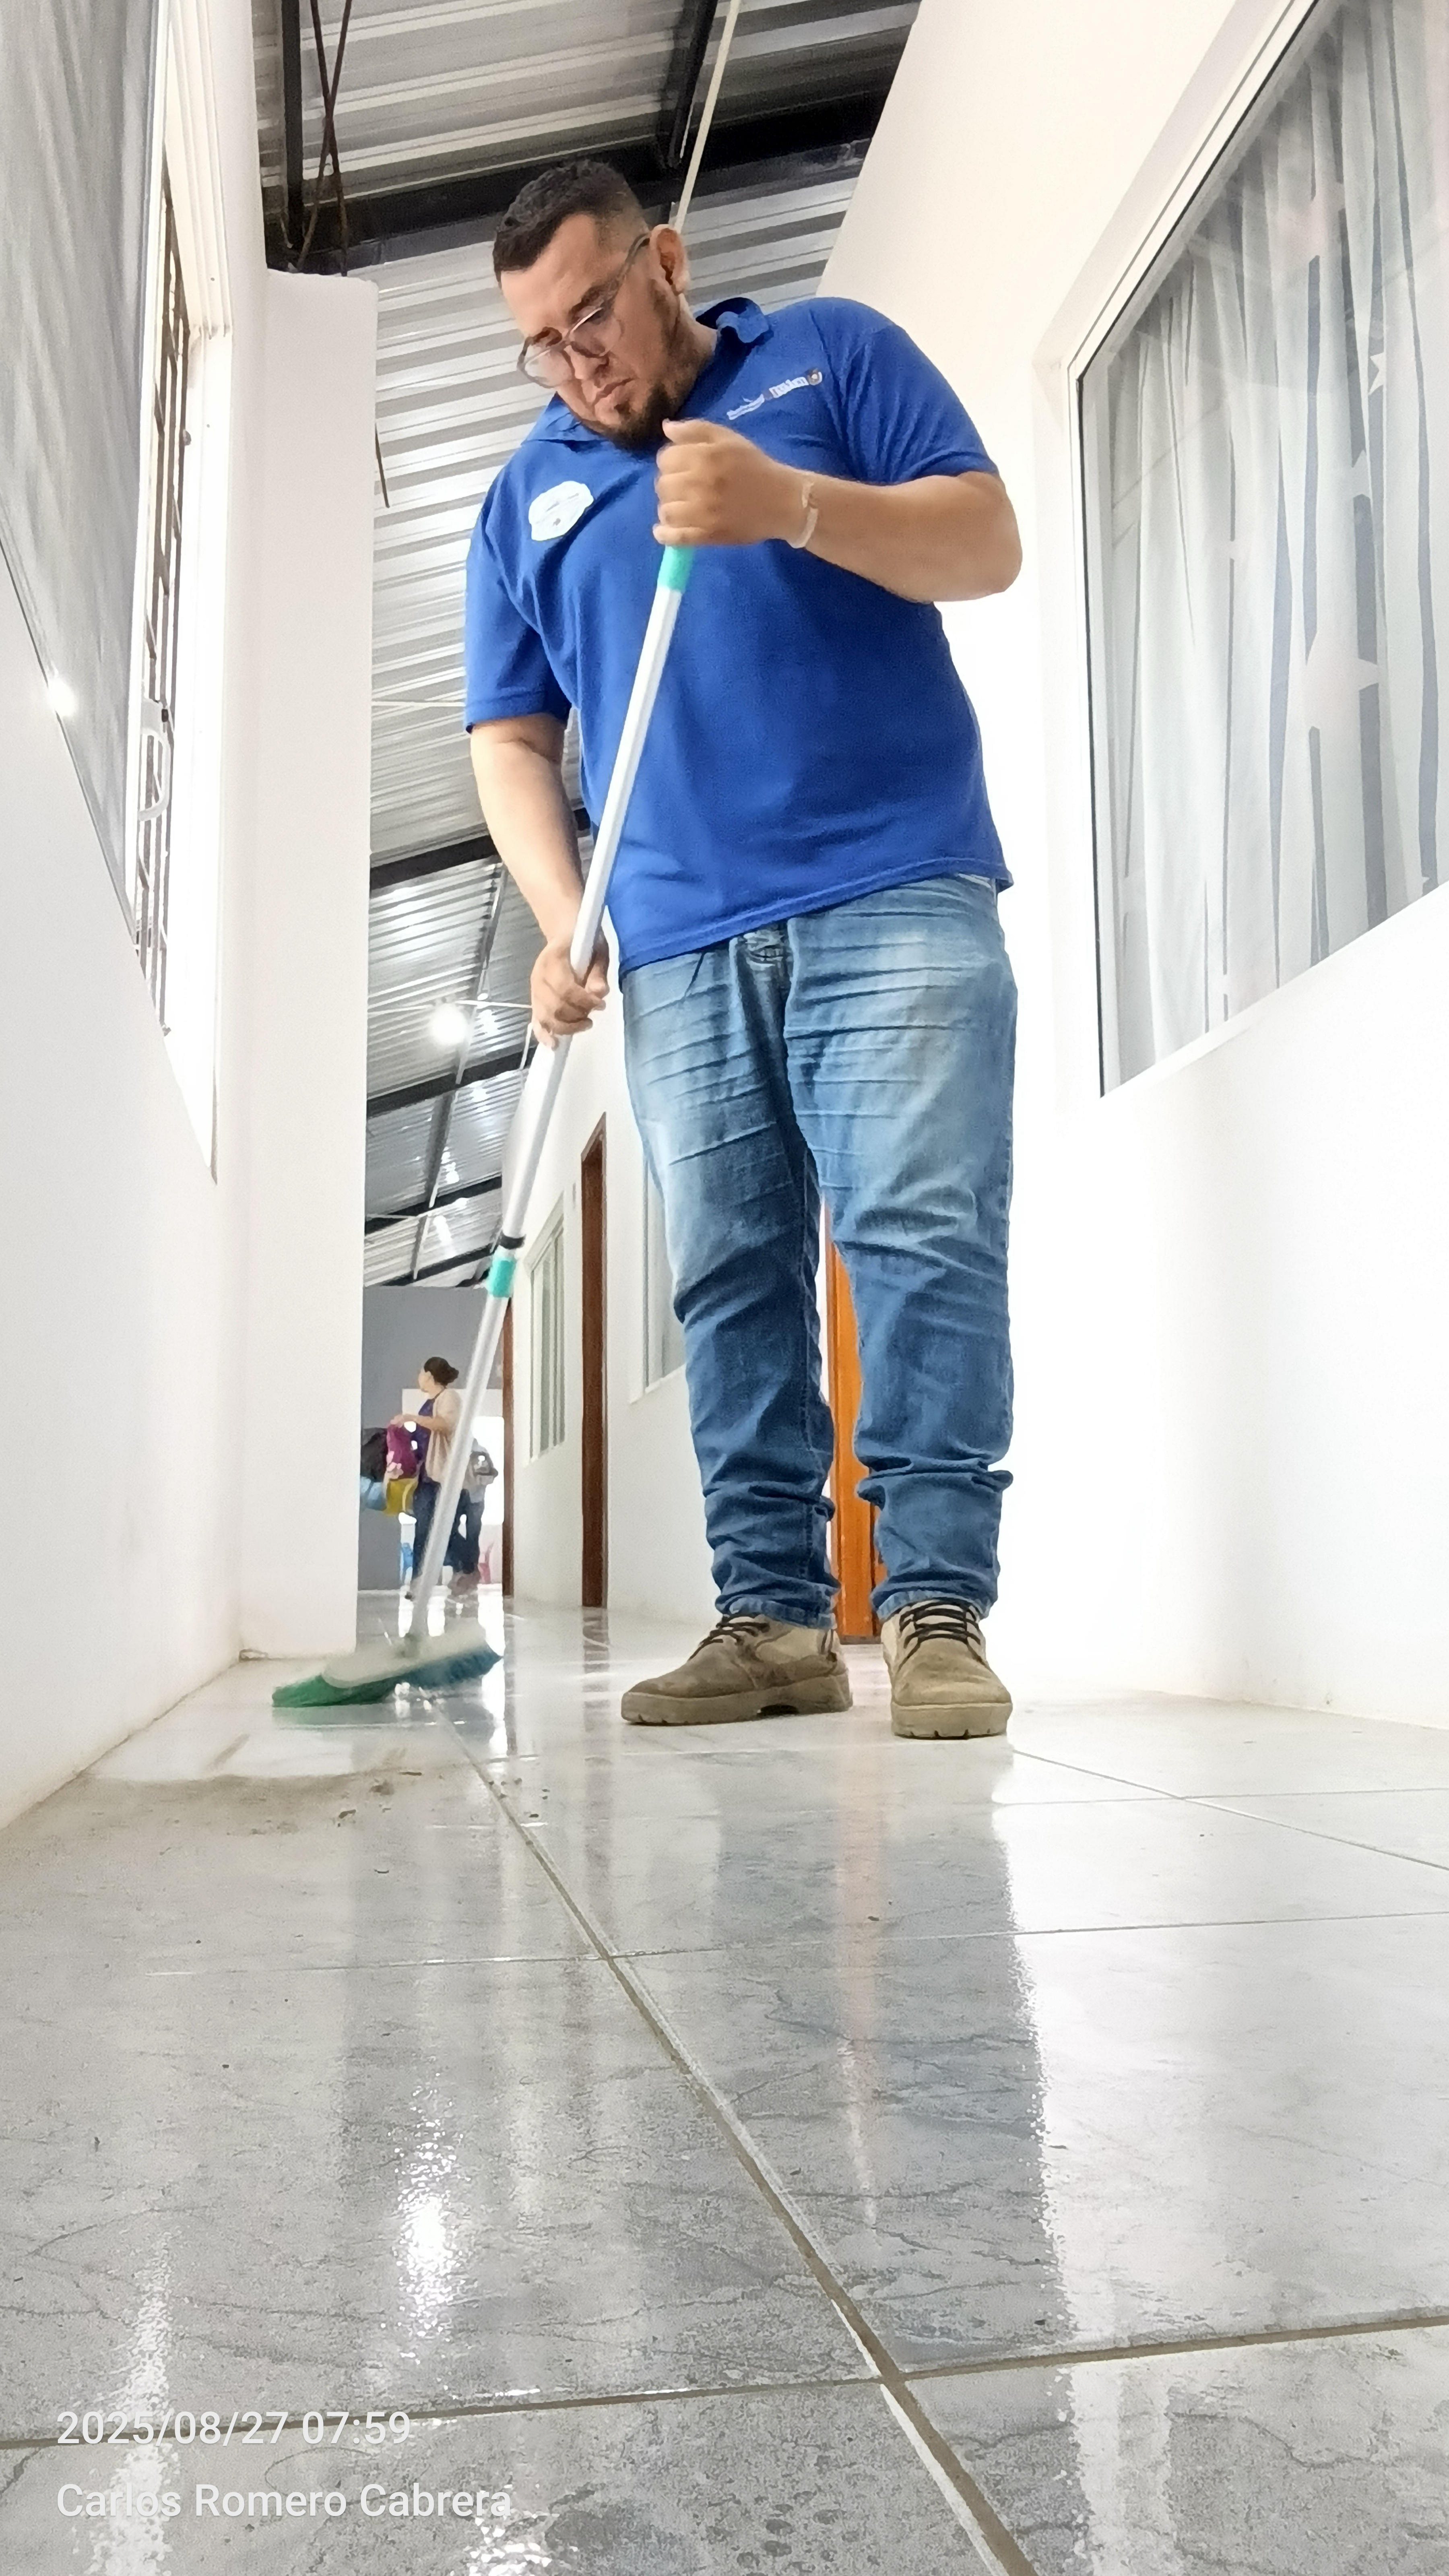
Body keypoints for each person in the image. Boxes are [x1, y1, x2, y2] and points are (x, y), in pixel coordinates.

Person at [465, 160, 1021, 1740]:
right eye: (541, 343)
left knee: (920, 1240)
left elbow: (984, 542)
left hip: (894, 884)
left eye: (593, 315)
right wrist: (564, 915)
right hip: (680, 940)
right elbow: (511, 740)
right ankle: (772, 1618)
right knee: (729, 1277)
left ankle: (933, 1607)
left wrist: (790, 505)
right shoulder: (525, 499)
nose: (578, 364)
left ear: (668, 261)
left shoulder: (831, 359)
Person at [392, 1360, 477, 1600]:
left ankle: (467, 1569)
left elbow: (445, 1425)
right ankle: (420, 1583)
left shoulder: (449, 1398)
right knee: (424, 1530)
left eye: (421, 1372)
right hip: (427, 1477)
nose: (418, 1376)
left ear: (430, 1375)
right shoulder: (428, 1404)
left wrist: (411, 1417)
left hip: (444, 1477)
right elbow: (425, 1438)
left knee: (443, 1530)